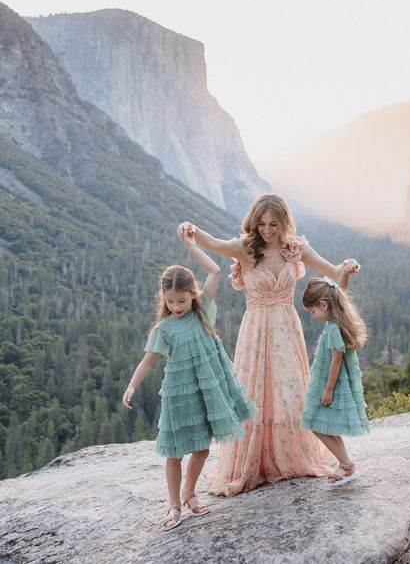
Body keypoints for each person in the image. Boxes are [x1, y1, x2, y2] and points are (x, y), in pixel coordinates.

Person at [177, 193, 360, 496]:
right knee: (255, 395)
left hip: (287, 330)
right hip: (255, 332)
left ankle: (289, 456)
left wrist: (348, 267)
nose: (267, 230)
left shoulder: (295, 249)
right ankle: (256, 462)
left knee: (292, 395)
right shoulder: (244, 249)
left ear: (284, 223)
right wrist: (190, 229)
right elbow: (210, 242)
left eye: (273, 224)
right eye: (261, 224)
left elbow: (334, 274)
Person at [121, 235, 256, 531]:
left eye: (181, 300)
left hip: (206, 389)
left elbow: (215, 272)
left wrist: (192, 247)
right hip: (179, 393)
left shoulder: (203, 310)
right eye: (170, 301)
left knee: (201, 448)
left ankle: (190, 494)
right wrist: (131, 385)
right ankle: (173, 505)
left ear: (193, 295)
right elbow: (148, 361)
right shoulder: (164, 327)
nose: (176, 306)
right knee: (174, 452)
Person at [300, 277, 370, 487]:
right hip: (329, 383)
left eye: (313, 311)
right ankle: (345, 463)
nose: (313, 316)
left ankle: (347, 465)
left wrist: (328, 389)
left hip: (332, 385)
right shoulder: (335, 324)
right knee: (326, 425)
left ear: (323, 305)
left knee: (315, 424)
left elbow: (336, 360)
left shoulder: (333, 328)